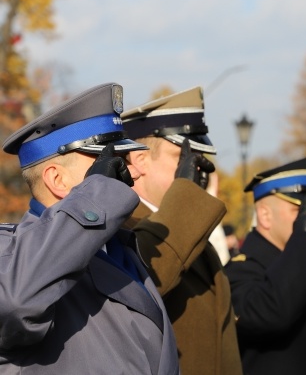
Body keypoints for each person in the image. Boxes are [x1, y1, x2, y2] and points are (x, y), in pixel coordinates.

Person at [0, 82, 180, 374]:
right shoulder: (12, 252)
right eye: (110, 162)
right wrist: (96, 197)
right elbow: (15, 304)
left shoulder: (117, 246)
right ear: (57, 180)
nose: (132, 171)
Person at [120, 86, 243, 375]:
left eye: (198, 159)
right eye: (182, 157)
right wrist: (186, 197)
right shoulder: (121, 226)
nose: (197, 170)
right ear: (139, 161)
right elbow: (148, 277)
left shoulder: (188, 226)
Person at [225, 157, 306, 375]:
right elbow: (271, 314)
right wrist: (302, 243)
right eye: (300, 213)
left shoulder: (303, 265)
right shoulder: (241, 270)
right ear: (265, 215)